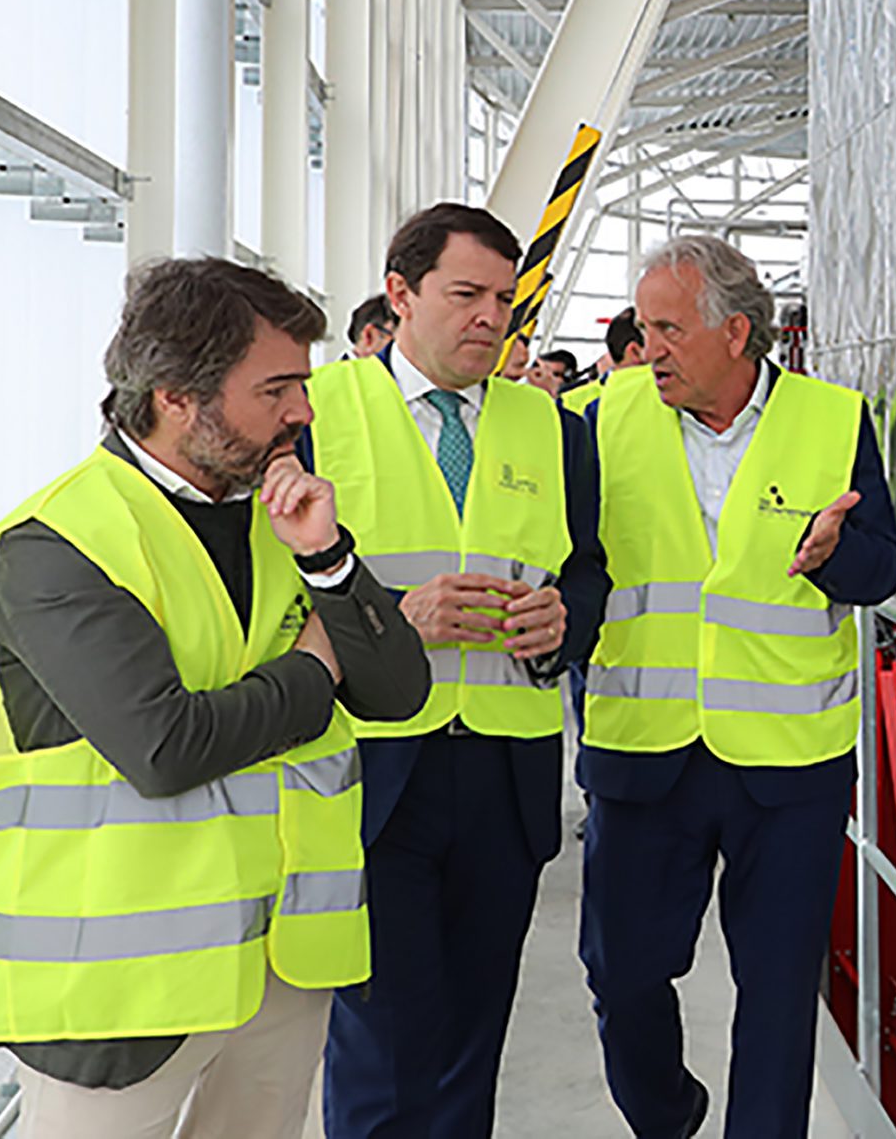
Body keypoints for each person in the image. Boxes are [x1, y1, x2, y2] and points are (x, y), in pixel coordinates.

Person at [0, 258, 429, 1138]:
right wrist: (315, 670)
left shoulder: (279, 512)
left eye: (304, 384)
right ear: (176, 395)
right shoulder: (57, 546)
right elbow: (166, 747)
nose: (304, 411)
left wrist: (328, 560)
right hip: (122, 991)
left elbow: (399, 690)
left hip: (281, 957)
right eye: (276, 387)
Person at [580, 236, 896, 1139]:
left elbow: (884, 568)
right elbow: (578, 566)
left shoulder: (835, 420)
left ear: (736, 331)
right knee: (622, 971)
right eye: (644, 328)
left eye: (669, 328)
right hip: (646, 754)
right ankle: (667, 1112)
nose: (650, 349)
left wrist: (841, 558)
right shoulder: (603, 421)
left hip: (792, 763)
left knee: (779, 985)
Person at [309, 205, 609, 1139]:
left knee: (473, 1039)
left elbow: (590, 570)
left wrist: (565, 624)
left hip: (505, 774)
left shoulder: (554, 428)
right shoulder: (320, 415)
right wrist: (397, 620)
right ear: (400, 295)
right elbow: (278, 594)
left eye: (506, 300)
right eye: (466, 294)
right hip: (374, 772)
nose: (491, 318)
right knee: (381, 1039)